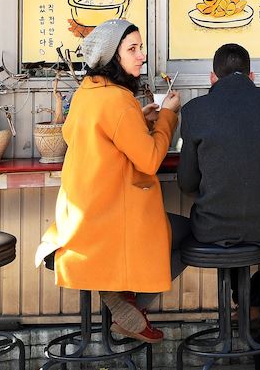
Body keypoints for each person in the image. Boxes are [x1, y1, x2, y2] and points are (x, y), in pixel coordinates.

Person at [34, 19, 189, 343]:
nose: (141, 55)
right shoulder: (119, 100)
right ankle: (129, 306)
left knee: (168, 232)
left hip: (79, 222)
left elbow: (94, 136)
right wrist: (167, 117)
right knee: (191, 234)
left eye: (140, 47)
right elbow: (149, 159)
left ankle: (123, 302)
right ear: (110, 56)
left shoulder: (86, 94)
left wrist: (138, 119)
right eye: (132, 49)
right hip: (109, 226)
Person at [177, 43, 260, 332]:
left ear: (212, 78)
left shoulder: (195, 111)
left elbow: (186, 183)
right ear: (252, 76)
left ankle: (245, 304)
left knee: (229, 229)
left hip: (214, 228)